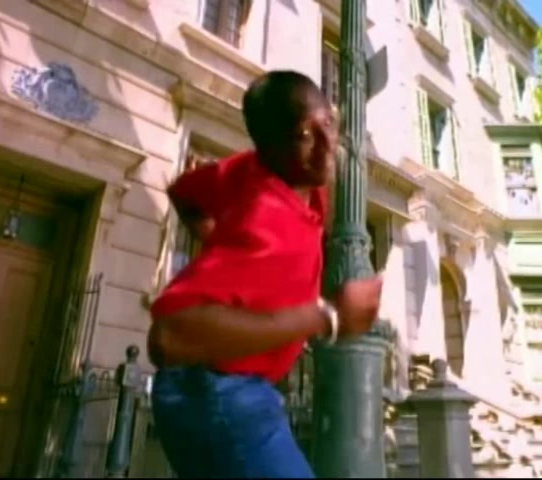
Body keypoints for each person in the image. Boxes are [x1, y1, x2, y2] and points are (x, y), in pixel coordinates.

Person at [147, 70, 382, 479]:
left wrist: (216, 237)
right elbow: (168, 338)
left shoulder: (253, 169)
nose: (327, 145)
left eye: (328, 123)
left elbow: (184, 191)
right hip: (218, 393)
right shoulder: (269, 224)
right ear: (271, 146)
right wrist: (329, 316)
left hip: (227, 392)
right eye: (305, 135)